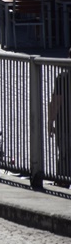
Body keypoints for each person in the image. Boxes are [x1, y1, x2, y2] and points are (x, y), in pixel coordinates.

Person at [49, 49, 71, 188]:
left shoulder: (62, 78)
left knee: (65, 155)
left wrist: (50, 121)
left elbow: (56, 101)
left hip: (65, 125)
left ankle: (62, 182)